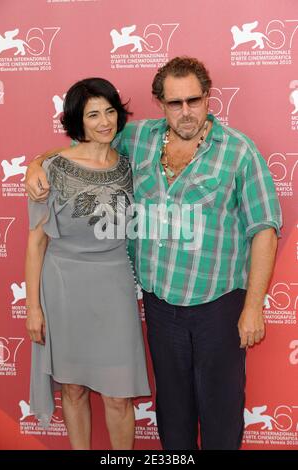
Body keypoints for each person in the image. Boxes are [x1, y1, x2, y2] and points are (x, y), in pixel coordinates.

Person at [26, 57, 282, 450]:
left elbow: (264, 229)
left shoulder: (240, 152)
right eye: (174, 102)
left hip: (218, 304)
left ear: (208, 98)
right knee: (173, 413)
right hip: (160, 304)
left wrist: (252, 307)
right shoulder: (139, 139)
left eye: (193, 101)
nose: (185, 112)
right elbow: (83, 146)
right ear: (160, 103)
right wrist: (37, 163)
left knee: (221, 408)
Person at [25, 77, 150, 450]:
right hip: (63, 286)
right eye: (92, 114)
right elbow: (35, 244)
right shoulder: (53, 171)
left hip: (113, 285)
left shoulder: (130, 164)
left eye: (110, 111)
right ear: (77, 121)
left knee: (118, 395)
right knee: (74, 389)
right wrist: (33, 307)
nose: (104, 121)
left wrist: (37, 156)